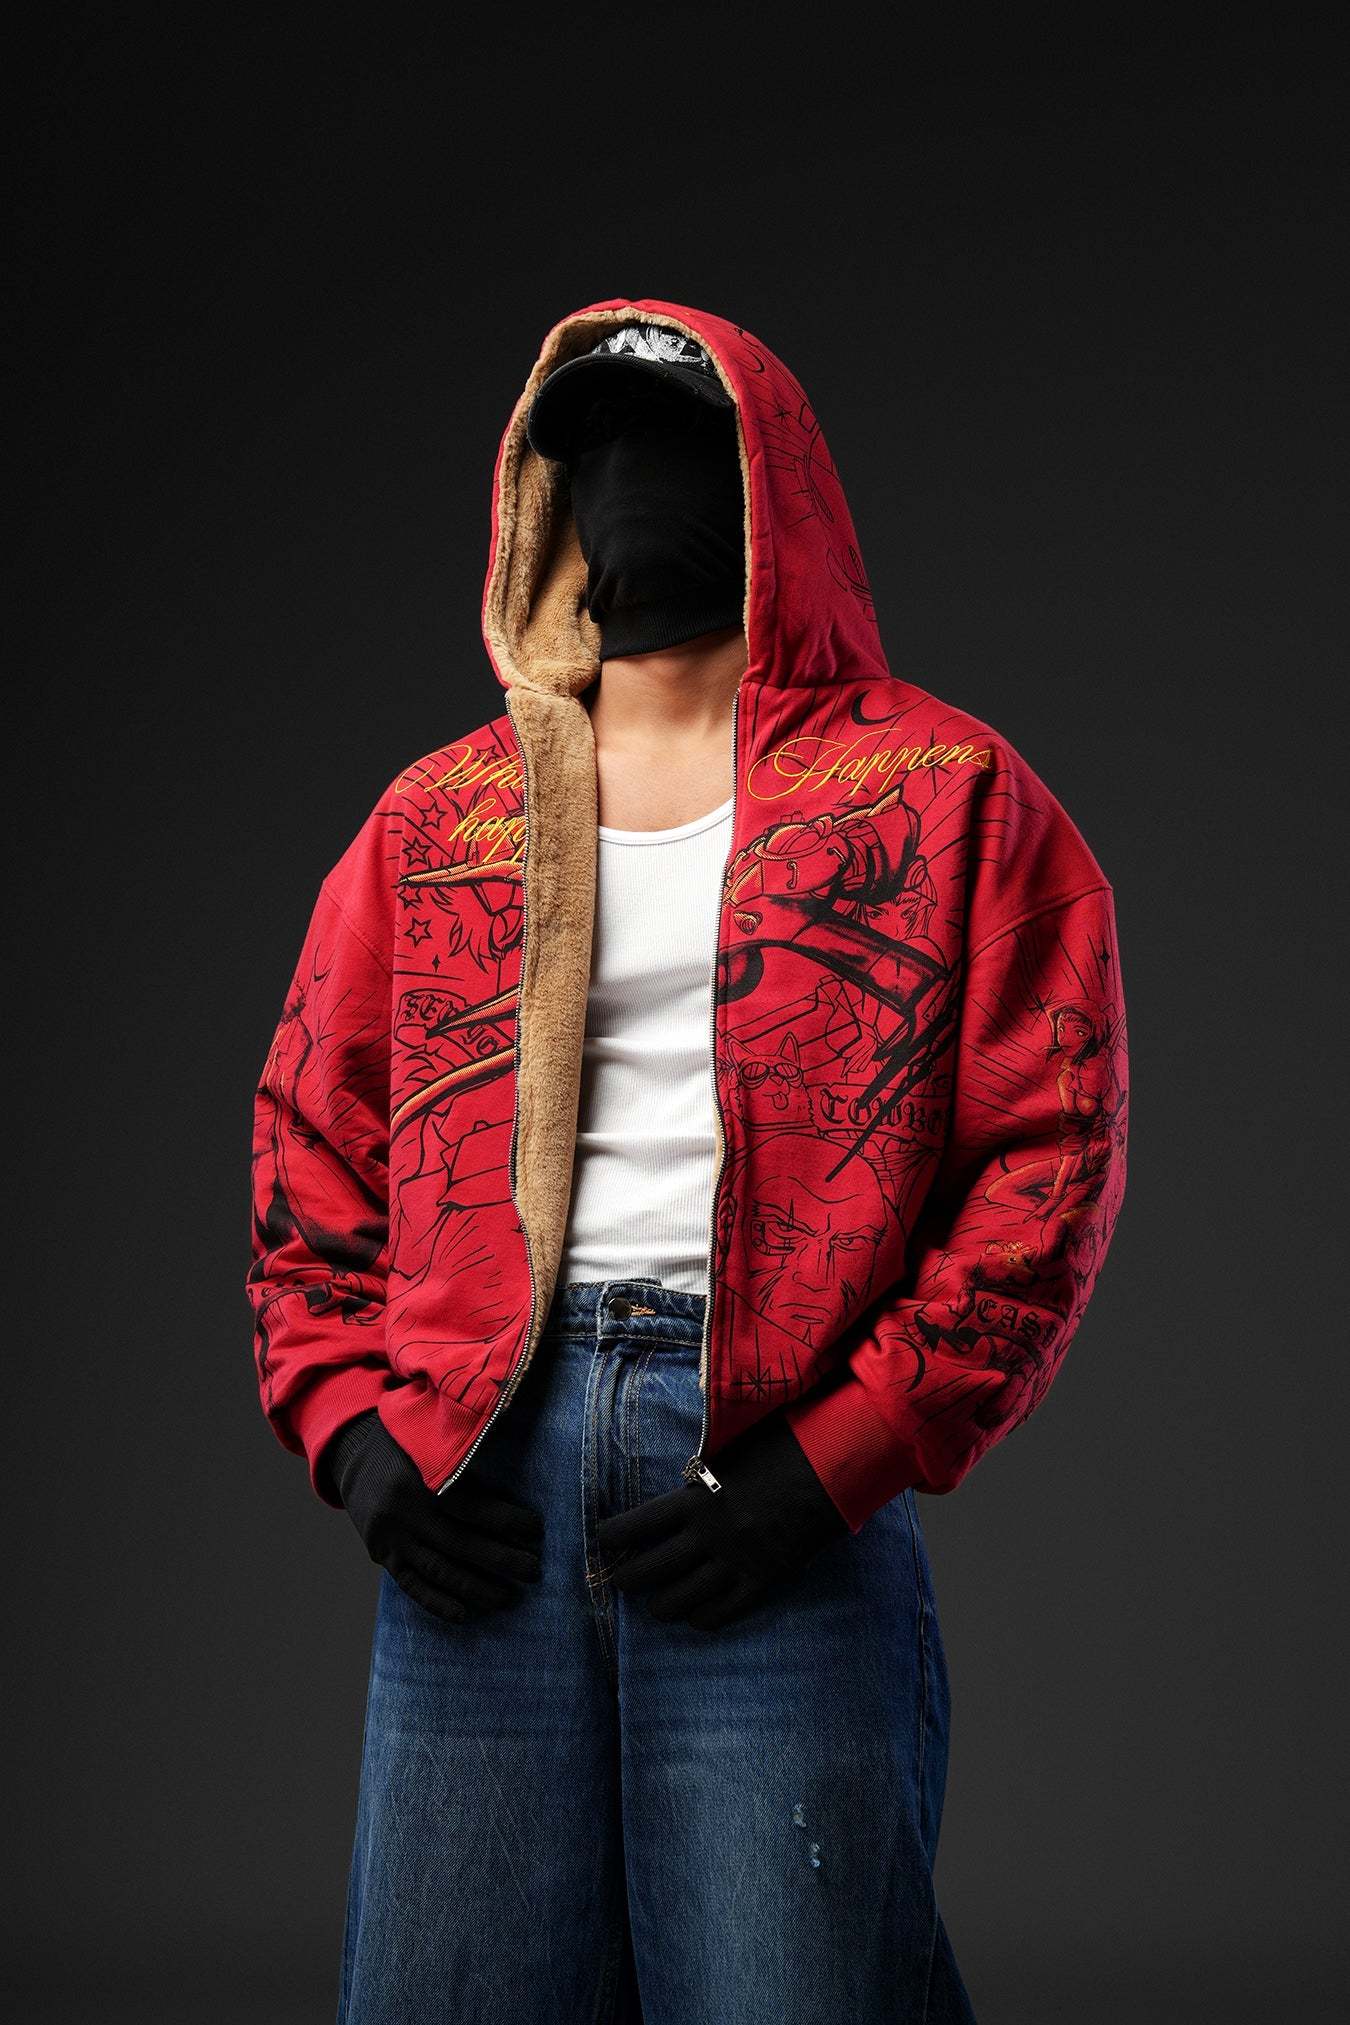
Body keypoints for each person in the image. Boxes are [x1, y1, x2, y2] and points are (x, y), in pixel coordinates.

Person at [247, 300, 1129, 2024]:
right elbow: (308, 1141)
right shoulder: (437, 820)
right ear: (545, 499)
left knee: (792, 1990)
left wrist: (832, 1462)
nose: (630, 484)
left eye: (674, 444)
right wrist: (355, 1438)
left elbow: (1050, 1156)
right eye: (590, 448)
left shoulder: (944, 791)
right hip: (480, 1457)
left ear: (771, 481)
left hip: (766, 1454)